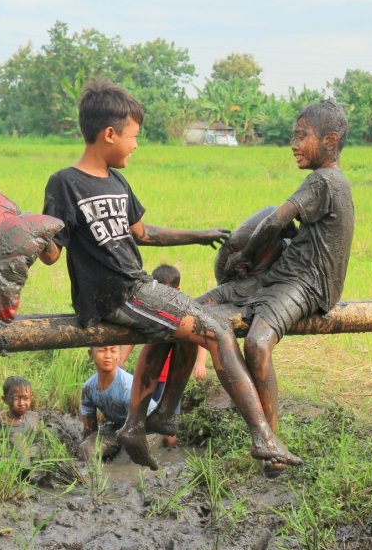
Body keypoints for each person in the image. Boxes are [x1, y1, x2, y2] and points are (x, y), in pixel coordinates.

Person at [40, 78, 302, 471]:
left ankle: (151, 419)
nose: (136, 144)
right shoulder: (65, 183)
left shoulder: (116, 180)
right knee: (217, 331)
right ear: (109, 134)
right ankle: (263, 436)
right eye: (133, 136)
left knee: (192, 321)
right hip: (118, 294)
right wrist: (34, 234)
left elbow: (143, 234)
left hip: (138, 288)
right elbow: (52, 253)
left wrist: (200, 235)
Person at [143, 99, 355, 477]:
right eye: (294, 135)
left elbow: (274, 223)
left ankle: (270, 443)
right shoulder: (323, 181)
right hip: (281, 277)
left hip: (307, 283)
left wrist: (248, 255)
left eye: (302, 136)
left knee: (257, 344)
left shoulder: (324, 181)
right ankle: (164, 411)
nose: (293, 143)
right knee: (188, 311)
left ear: (330, 141)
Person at [118, 263, 208, 448]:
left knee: (168, 425)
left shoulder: (185, 310)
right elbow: (133, 335)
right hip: (151, 378)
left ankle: (168, 455)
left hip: (171, 380)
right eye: (159, 291)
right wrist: (121, 359)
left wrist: (200, 363)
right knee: (142, 418)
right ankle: (148, 452)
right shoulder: (149, 309)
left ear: (178, 290)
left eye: (168, 291)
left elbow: (200, 336)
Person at [79, 345, 156, 460]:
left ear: (119, 354)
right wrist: (90, 443)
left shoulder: (128, 388)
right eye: (102, 350)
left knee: (129, 457)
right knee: (86, 449)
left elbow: (137, 429)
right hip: (119, 427)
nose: (108, 356)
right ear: (91, 354)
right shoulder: (89, 388)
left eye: (113, 350)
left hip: (147, 428)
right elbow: (89, 430)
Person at [0, 375, 43, 448]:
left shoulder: (34, 418)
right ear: (5, 399)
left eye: (25, 398)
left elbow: (40, 443)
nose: (21, 403)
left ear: (31, 398)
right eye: (16, 399)